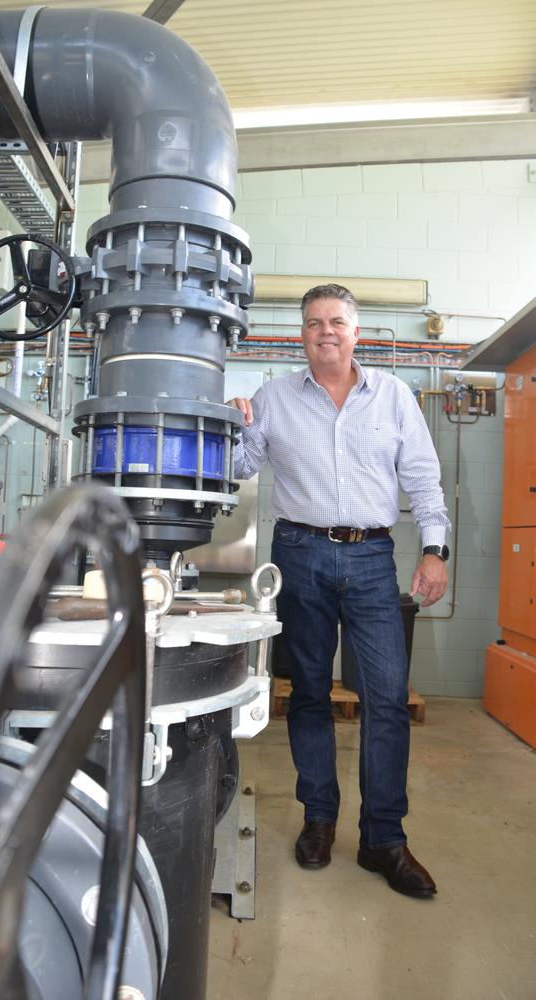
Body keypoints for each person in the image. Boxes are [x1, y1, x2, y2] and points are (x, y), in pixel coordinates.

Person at [229, 283, 450, 898]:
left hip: (373, 555)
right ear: (301, 334)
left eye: (336, 322)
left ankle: (384, 838)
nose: (324, 331)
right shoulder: (274, 397)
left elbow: (425, 481)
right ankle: (319, 819)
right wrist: (233, 425)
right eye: (312, 323)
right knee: (306, 692)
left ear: (357, 332)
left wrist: (435, 549)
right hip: (297, 552)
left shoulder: (396, 396)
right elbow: (240, 469)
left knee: (384, 696)